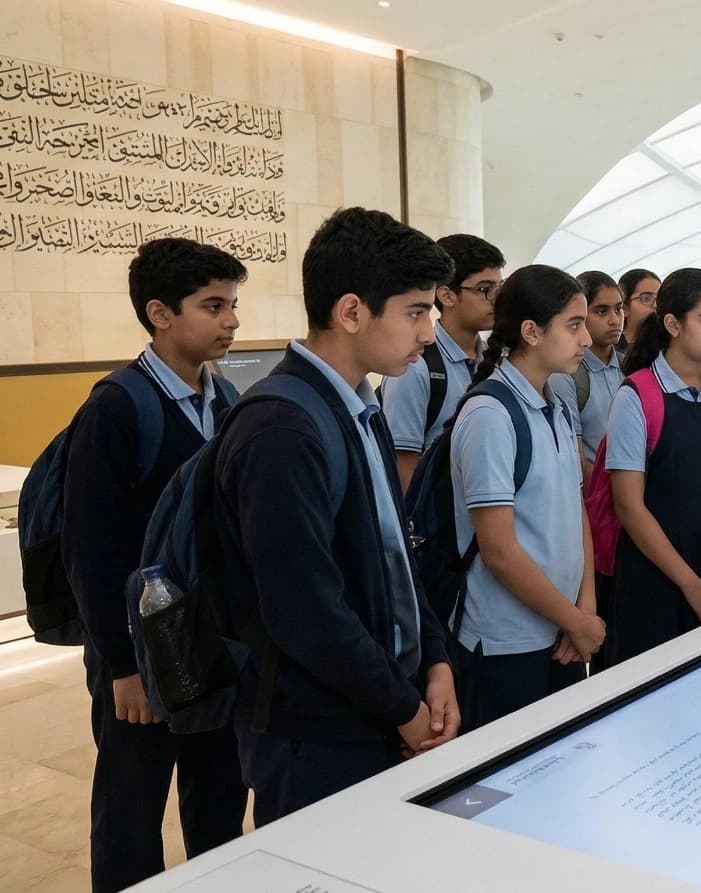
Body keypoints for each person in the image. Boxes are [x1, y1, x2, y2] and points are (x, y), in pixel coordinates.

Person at [214, 208, 460, 825]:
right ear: (351, 312)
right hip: (315, 730)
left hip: (376, 705)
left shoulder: (359, 403)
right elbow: (304, 610)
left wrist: (435, 662)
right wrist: (404, 710)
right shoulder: (280, 426)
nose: (428, 333)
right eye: (414, 311)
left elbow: (396, 558)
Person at [60, 238, 249, 891]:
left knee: (219, 791)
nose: (231, 320)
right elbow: (89, 548)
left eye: (233, 304)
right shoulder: (116, 408)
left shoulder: (224, 400)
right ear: (160, 312)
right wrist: (121, 665)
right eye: (213, 305)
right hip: (142, 650)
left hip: (211, 637)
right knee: (132, 806)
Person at [449, 265, 603, 730]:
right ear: (532, 332)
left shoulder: (555, 401)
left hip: (562, 631)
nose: (588, 340)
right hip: (506, 644)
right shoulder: (489, 414)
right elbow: (499, 550)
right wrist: (573, 621)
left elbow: (575, 509)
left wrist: (586, 609)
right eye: (574, 325)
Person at [603, 268, 701, 664]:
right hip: (657, 583)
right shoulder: (638, 395)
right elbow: (629, 507)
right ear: (672, 323)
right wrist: (690, 584)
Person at [382, 233, 503, 492]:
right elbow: (404, 470)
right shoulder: (416, 366)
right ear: (447, 296)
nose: (496, 299)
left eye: (499, 288)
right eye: (485, 290)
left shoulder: (496, 361)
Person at [550, 270, 627, 480]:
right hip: (595, 501)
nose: (614, 320)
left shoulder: (629, 366)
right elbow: (577, 464)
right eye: (602, 311)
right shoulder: (566, 375)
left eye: (619, 309)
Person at [616, 268, 660, 360]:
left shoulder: (669, 349)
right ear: (624, 308)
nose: (656, 305)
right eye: (646, 298)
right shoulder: (613, 353)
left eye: (660, 298)